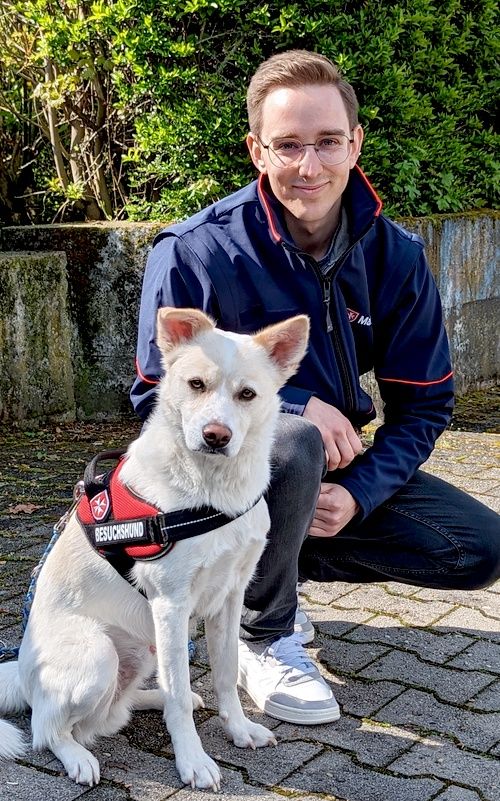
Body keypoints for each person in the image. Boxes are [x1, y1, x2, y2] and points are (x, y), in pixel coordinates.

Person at [131, 50, 500, 725]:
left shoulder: (396, 256)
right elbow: (150, 393)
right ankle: (261, 633)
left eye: (328, 142)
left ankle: (279, 574)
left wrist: (359, 494)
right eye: (288, 145)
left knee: (477, 548)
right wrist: (293, 403)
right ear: (256, 150)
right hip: (212, 484)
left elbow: (426, 403)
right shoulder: (194, 252)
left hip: (323, 477)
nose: (310, 166)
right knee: (293, 437)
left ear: (355, 142)